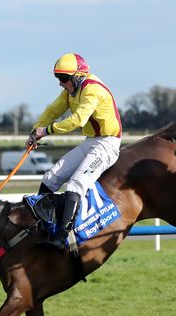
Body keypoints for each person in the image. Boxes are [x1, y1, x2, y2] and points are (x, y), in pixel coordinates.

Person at [26, 53, 122, 250]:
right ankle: (42, 227)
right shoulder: (71, 89)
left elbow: (78, 120)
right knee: (50, 177)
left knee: (75, 185)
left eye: (63, 79)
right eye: (58, 79)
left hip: (107, 144)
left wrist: (47, 131)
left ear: (77, 77)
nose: (60, 84)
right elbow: (52, 111)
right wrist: (36, 131)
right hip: (91, 142)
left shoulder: (92, 90)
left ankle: (61, 239)